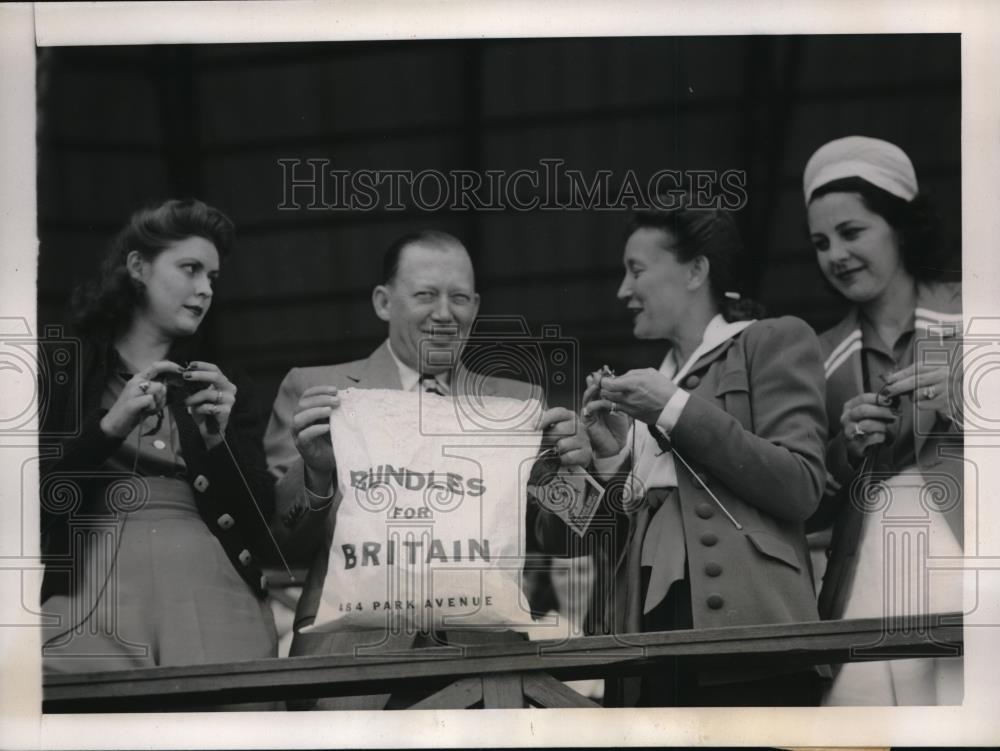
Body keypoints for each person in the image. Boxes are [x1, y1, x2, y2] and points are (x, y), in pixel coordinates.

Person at [265, 229, 591, 710]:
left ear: (476, 306)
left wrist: (566, 475)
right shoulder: (317, 391)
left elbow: (566, 543)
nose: (444, 313)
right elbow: (277, 544)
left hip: (484, 664)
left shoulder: (517, 404)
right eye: (425, 295)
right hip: (348, 666)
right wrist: (316, 477)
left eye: (459, 297)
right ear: (383, 301)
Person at [538, 204, 829, 707]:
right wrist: (602, 463)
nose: (622, 291)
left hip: (751, 640)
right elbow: (575, 546)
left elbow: (801, 486)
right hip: (643, 642)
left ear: (696, 271)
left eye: (637, 269)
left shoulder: (771, 340)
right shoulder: (644, 394)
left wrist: (672, 407)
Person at [40, 199, 279, 676]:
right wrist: (108, 429)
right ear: (138, 267)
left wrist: (220, 441)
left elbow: (263, 521)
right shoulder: (59, 368)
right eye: (190, 269)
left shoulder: (224, 385)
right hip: (90, 588)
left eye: (212, 277)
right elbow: (24, 502)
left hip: (213, 589)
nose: (204, 289)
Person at [803, 135, 963, 705]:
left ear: (900, 224)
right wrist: (845, 449)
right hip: (865, 589)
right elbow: (803, 500)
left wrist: (966, 396)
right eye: (821, 242)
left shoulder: (977, 312)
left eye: (851, 232)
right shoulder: (817, 357)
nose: (835, 255)